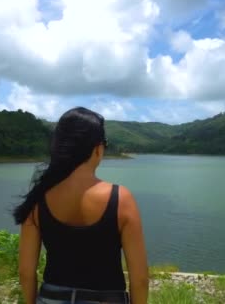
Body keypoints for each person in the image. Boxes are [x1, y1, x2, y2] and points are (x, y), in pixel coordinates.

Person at [13, 107, 149, 304]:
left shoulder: (38, 198)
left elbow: (26, 272)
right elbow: (140, 279)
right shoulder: (121, 199)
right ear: (98, 148)